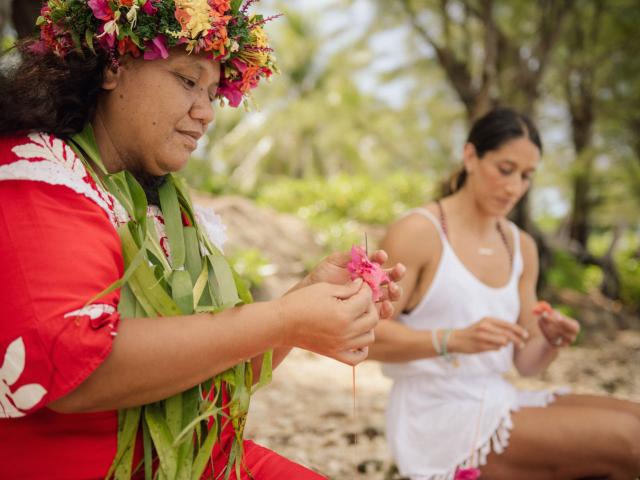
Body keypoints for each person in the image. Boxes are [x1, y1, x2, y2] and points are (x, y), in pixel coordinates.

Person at [0, 1, 403, 478]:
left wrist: (305, 304)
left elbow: (214, 376)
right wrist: (284, 320)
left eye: (212, 92)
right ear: (115, 66)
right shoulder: (34, 174)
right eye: (187, 80)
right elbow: (74, 372)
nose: (206, 113)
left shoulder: (161, 205)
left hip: (196, 459)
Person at [369, 108, 640, 480]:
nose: (514, 187)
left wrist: (550, 341)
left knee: (634, 419)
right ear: (470, 157)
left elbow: (526, 363)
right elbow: (367, 338)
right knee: (631, 440)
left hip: (497, 396)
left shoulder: (520, 245)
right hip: (437, 412)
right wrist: (453, 339)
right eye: (505, 169)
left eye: (527, 176)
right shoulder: (418, 232)